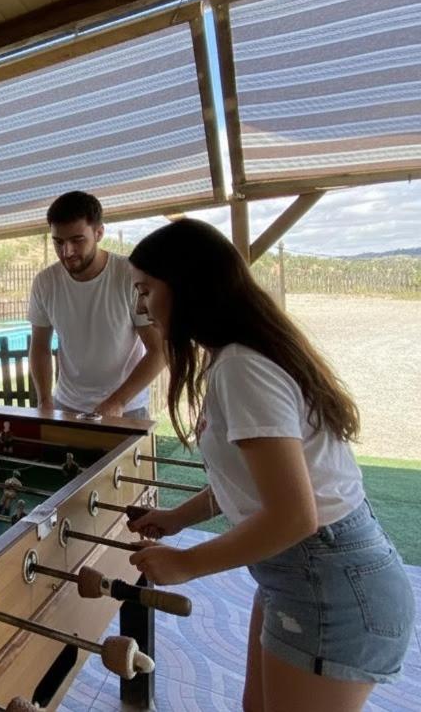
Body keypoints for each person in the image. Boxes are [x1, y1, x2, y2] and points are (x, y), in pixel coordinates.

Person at [125, 219, 414, 712]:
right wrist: (177, 519)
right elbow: (255, 484)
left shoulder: (241, 367)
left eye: (147, 290)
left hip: (327, 580)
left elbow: (293, 516)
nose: (143, 307)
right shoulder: (237, 358)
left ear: (186, 286)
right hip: (302, 574)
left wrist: (187, 563)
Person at [28, 191, 164, 418]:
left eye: (77, 240)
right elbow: (40, 347)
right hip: (66, 405)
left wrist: (117, 401)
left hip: (126, 408)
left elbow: (159, 350)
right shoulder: (45, 282)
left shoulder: (128, 276)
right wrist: (44, 399)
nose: (67, 252)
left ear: (99, 233)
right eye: (58, 242)